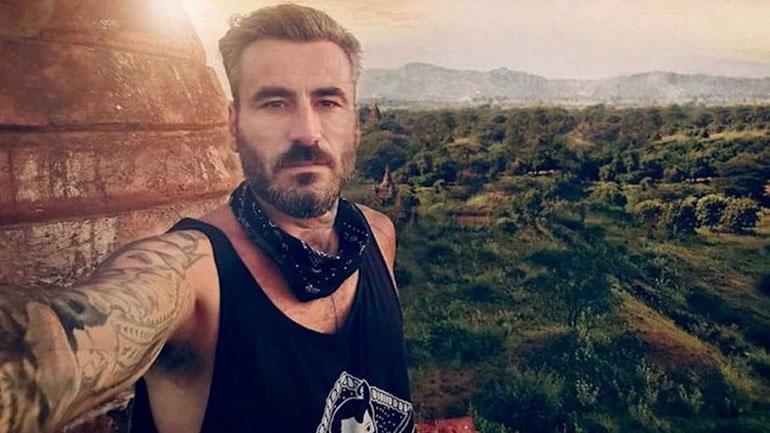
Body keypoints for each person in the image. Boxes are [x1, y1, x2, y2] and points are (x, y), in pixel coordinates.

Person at [0, 4, 414, 433]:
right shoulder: (195, 278)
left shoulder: (377, 235)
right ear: (233, 126)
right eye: (274, 103)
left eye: (327, 101)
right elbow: (64, 340)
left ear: (355, 124)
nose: (307, 132)